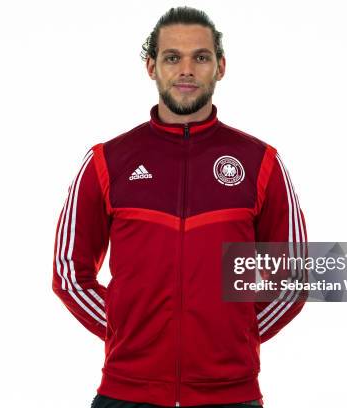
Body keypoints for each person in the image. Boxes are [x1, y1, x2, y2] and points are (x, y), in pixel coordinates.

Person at [53, 6, 308, 408]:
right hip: (126, 393)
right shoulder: (107, 160)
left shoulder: (261, 162)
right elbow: (69, 273)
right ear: (152, 66)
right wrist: (125, 331)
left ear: (220, 67)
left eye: (200, 57)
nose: (186, 69)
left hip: (231, 397)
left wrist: (236, 335)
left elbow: (291, 279)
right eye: (173, 57)